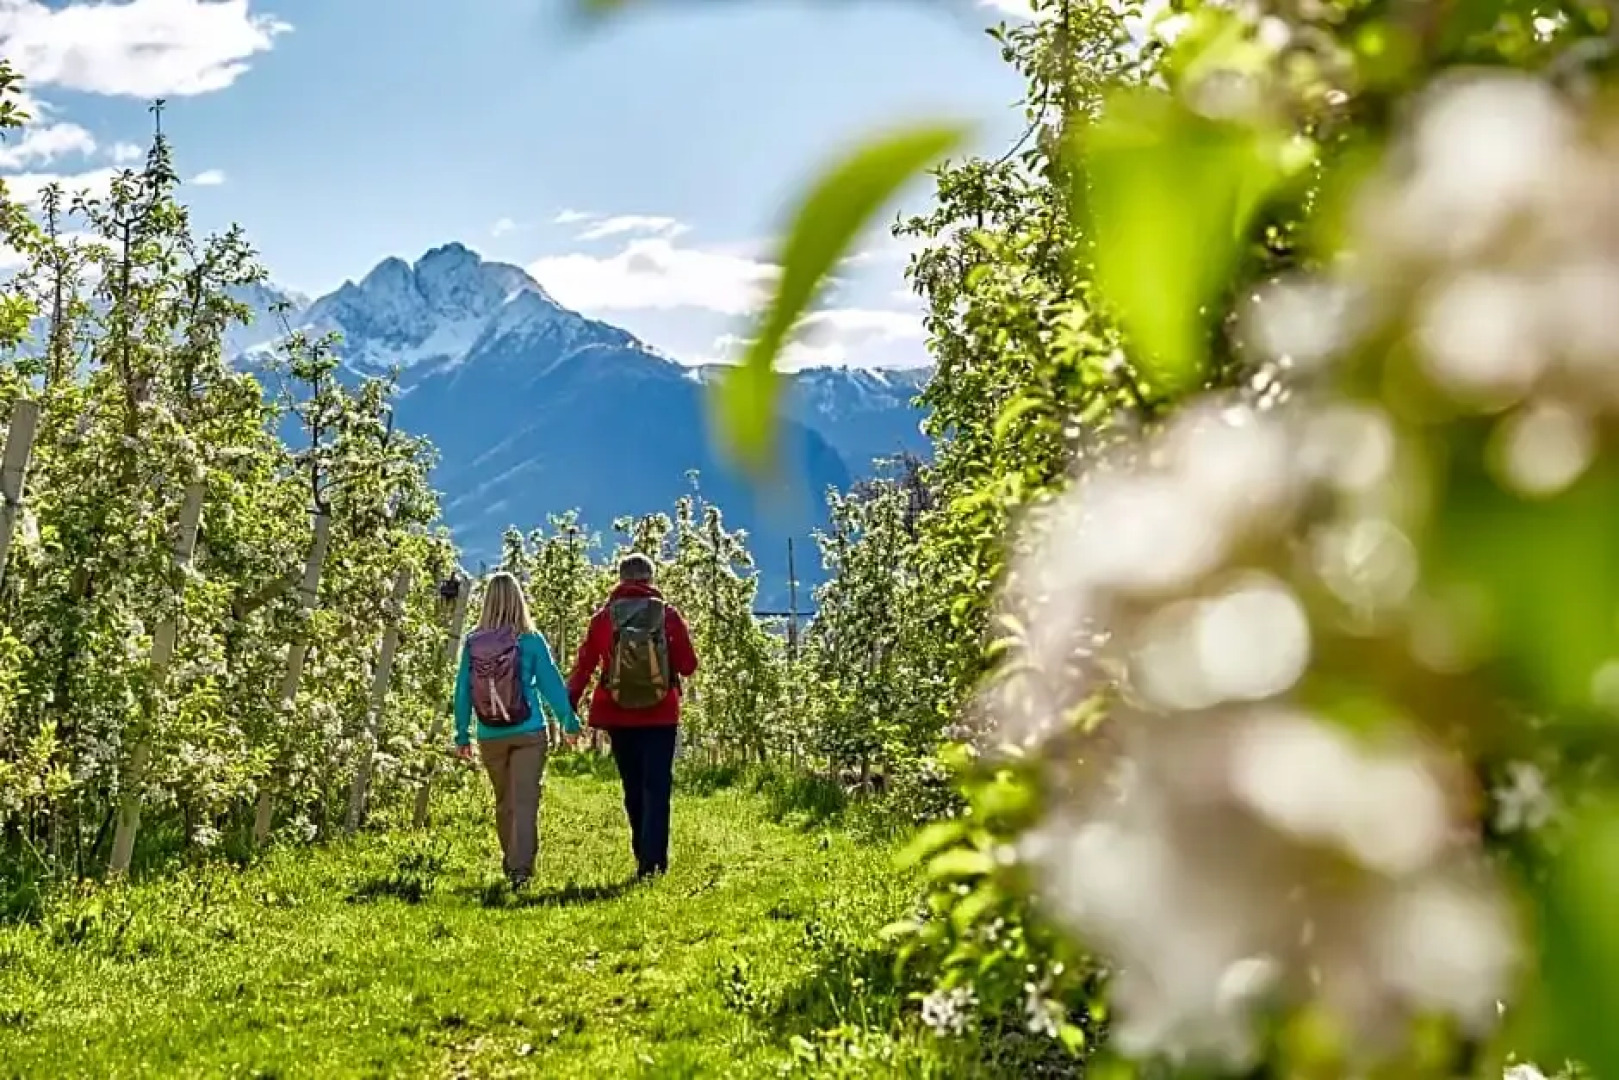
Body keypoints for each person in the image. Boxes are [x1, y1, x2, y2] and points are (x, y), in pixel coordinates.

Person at [568, 553, 698, 879]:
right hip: (662, 713)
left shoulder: (603, 619)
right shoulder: (667, 615)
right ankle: (653, 864)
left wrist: (568, 703)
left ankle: (642, 853)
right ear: (650, 580)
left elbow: (585, 665)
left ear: (620, 578)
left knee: (633, 786)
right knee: (657, 785)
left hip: (617, 712)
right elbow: (688, 665)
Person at [453, 571, 581, 890]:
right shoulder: (531, 640)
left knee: (504, 801)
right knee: (524, 801)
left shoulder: (473, 642)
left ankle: (511, 861)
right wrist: (568, 720)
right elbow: (550, 683)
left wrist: (461, 734)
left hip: (489, 733)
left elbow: (463, 691)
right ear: (519, 600)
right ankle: (519, 869)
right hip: (528, 731)